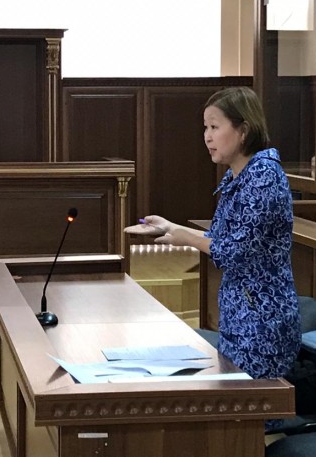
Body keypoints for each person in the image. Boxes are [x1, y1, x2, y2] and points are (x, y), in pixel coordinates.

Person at [129, 86, 301, 382]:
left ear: (243, 130)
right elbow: (222, 238)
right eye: (205, 128)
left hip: (261, 321)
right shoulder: (239, 175)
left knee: (248, 405)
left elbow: (234, 252)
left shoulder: (264, 177)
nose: (207, 137)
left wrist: (183, 235)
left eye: (215, 127)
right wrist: (169, 229)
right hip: (239, 315)